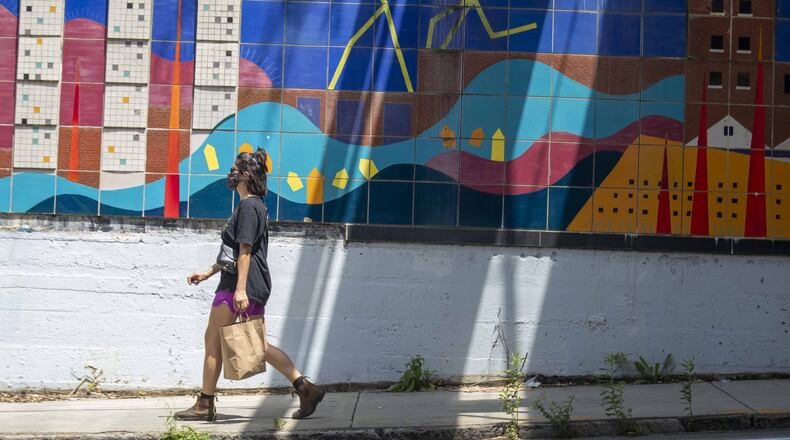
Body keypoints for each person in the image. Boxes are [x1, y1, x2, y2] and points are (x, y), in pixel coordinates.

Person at [175, 149, 325, 422]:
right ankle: (305, 388)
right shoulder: (254, 206)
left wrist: (240, 289)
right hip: (245, 282)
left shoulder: (248, 206)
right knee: (255, 344)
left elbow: (245, 250)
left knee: (214, 340)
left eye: (234, 169)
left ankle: (204, 404)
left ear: (245, 175)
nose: (230, 174)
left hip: (239, 285)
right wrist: (208, 272)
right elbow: (233, 253)